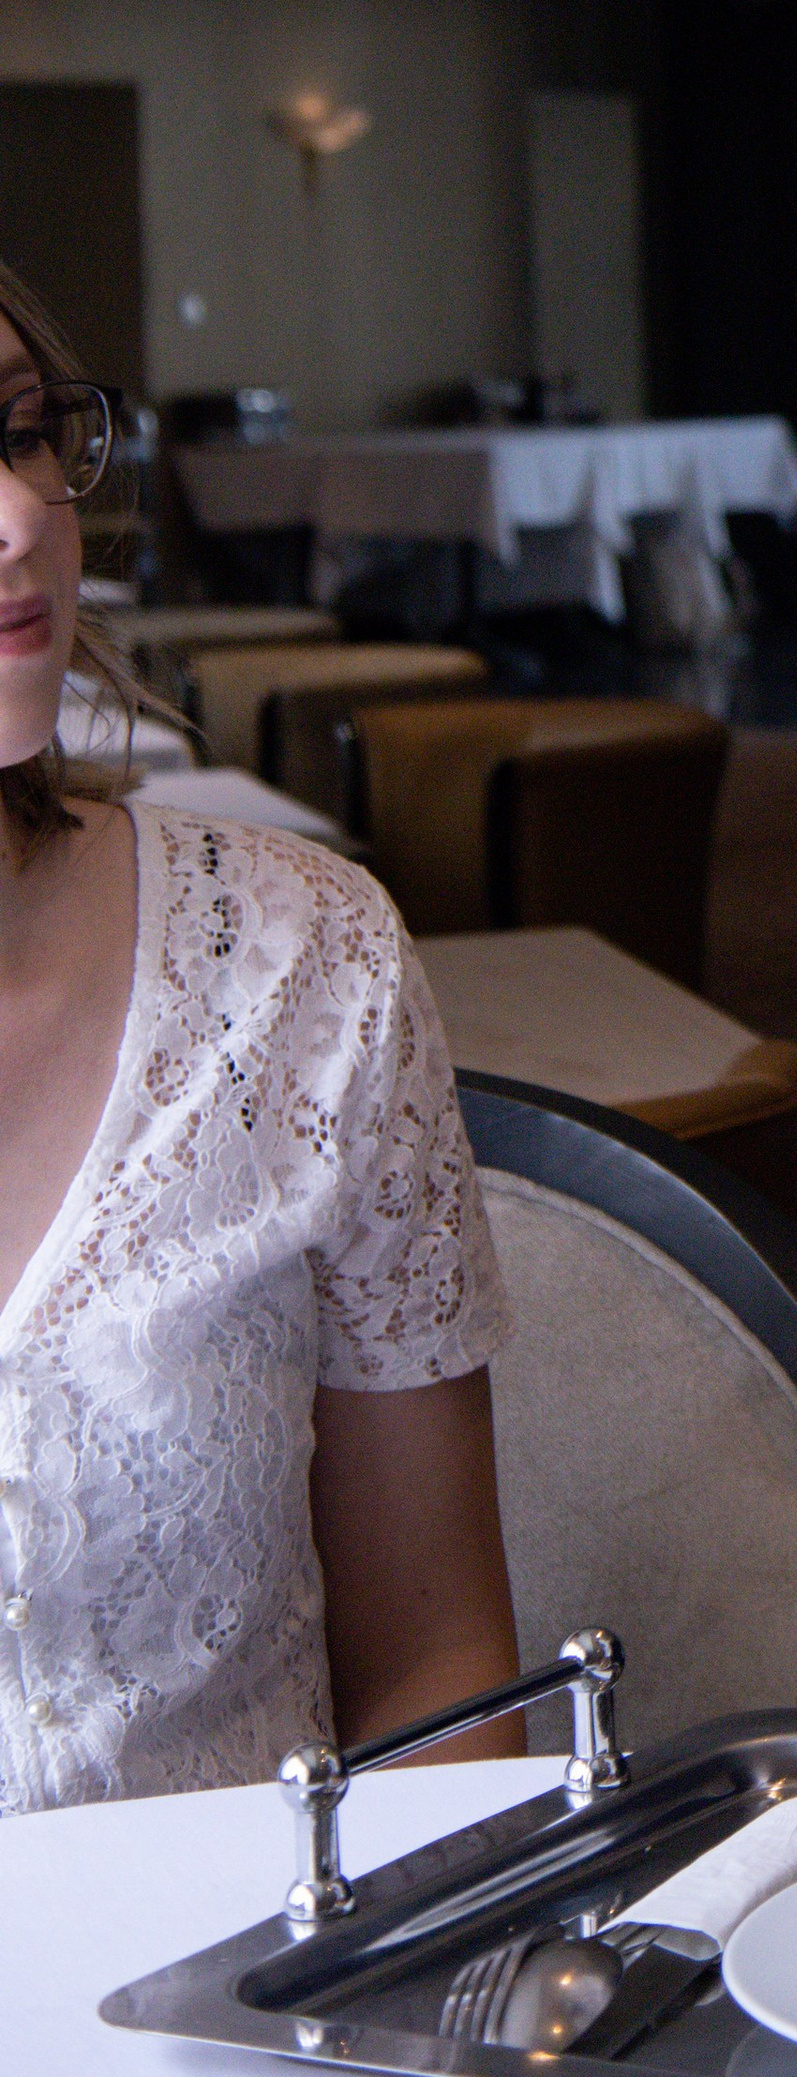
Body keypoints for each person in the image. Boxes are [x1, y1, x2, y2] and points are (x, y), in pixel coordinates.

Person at [0, 262, 522, 1809]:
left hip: (257, 1955)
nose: (19, 517)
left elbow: (439, 1662)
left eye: (22, 434)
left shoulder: (301, 962)